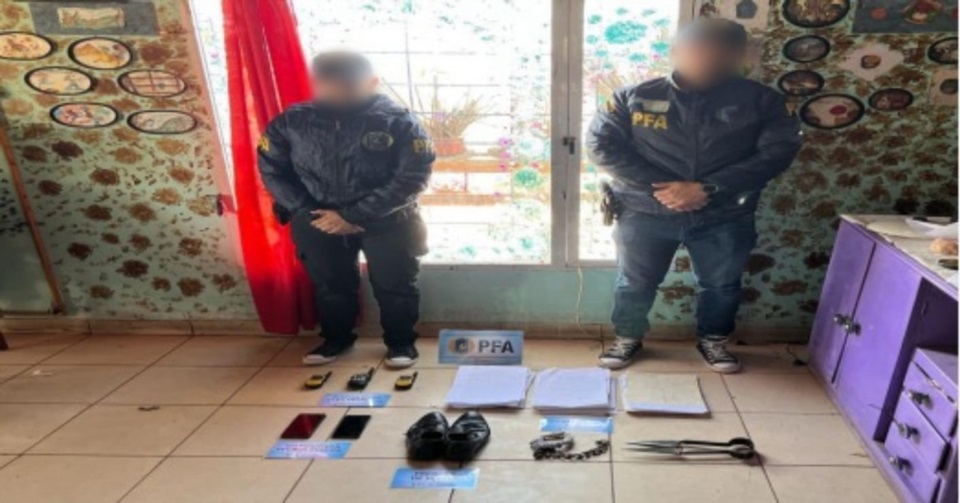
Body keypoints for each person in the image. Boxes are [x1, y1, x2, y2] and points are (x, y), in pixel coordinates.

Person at [586, 19, 802, 372]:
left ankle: (714, 341)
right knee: (635, 282)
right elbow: (601, 147)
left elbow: (778, 152)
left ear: (738, 56)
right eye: (699, 52)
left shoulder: (765, 101)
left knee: (721, 285)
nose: (708, 62)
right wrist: (666, 188)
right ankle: (627, 337)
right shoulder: (633, 97)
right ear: (676, 51)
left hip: (725, 213)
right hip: (644, 211)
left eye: (720, 55)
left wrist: (708, 188)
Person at [257, 51, 434, 369]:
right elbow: (272, 170)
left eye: (349, 87)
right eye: (330, 86)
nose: (339, 94)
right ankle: (336, 339)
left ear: (372, 82)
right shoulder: (292, 121)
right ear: (316, 84)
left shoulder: (399, 121)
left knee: (396, 285)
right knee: (331, 286)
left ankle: (400, 342)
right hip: (317, 219)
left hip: (388, 219)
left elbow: (413, 176)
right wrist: (312, 212)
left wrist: (353, 216)